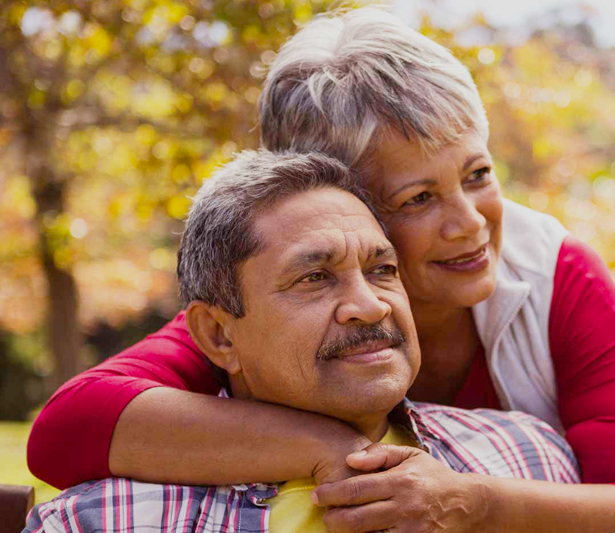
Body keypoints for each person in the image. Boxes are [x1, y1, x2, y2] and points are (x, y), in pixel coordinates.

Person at [27, 7, 615, 533]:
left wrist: (464, 498)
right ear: (336, 200)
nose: (469, 222)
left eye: (479, 173)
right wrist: (341, 447)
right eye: (418, 196)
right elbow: (67, 429)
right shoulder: (272, 304)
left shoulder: (549, 270)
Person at [25, 149, 581, 533]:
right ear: (219, 335)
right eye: (314, 278)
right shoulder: (107, 521)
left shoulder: (527, 458)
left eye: (382, 269)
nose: (370, 304)